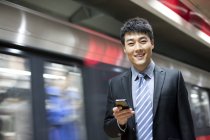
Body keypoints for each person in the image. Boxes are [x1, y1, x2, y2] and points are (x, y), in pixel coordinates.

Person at [103, 17, 195, 140]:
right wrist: (120, 122)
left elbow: (186, 126)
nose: (138, 48)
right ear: (124, 48)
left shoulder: (173, 78)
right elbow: (109, 129)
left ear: (152, 43)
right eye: (131, 43)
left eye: (143, 41)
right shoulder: (115, 84)